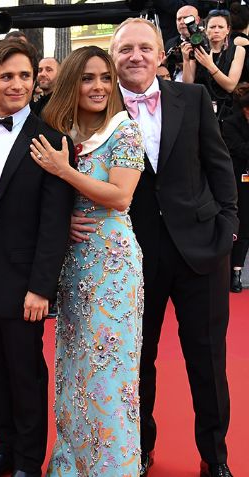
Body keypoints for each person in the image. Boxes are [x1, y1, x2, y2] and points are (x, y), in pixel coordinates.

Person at [77, 18, 236, 477]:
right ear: (113, 55)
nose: (136, 57)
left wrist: (228, 226)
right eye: (125, 49)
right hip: (130, 257)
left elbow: (219, 164)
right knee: (136, 361)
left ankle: (215, 456)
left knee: (207, 359)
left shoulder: (194, 98)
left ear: (160, 53)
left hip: (202, 250)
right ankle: (138, 450)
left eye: (145, 47)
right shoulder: (96, 111)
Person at [0, 38, 73, 477]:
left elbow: (54, 223)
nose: (18, 84)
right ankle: (2, 450)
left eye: (25, 75)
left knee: (25, 373)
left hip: (22, 277)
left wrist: (41, 287)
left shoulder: (50, 139)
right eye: (7, 76)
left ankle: (28, 462)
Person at [35, 45, 145, 476]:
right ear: (70, 83)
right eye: (87, 78)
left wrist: (65, 171)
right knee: (74, 367)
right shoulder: (60, 131)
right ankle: (73, 464)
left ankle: (112, 468)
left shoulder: (125, 131)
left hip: (113, 268)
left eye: (105, 78)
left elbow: (121, 196)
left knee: (110, 373)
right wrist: (61, 223)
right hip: (73, 264)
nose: (98, 86)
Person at [180, 11, 245, 120]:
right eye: (212, 27)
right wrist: (186, 60)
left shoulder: (238, 50)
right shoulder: (198, 48)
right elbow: (187, 83)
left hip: (225, 110)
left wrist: (210, 65)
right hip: (199, 106)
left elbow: (230, 86)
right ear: (205, 29)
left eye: (220, 27)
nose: (216, 30)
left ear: (228, 30)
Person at [222, 84, 249, 292]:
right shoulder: (230, 124)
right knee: (243, 227)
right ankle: (235, 273)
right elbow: (239, 150)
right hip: (240, 181)